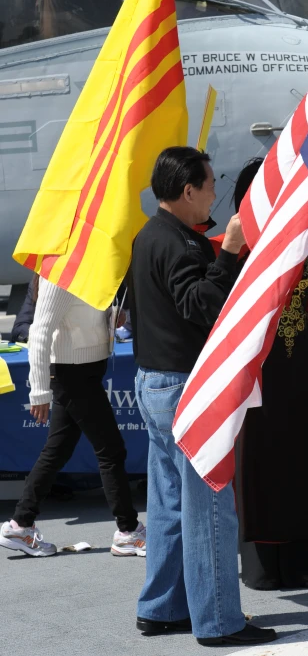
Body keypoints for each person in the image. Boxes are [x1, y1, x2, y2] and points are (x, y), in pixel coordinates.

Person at [129, 147, 276, 646]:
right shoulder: (180, 244)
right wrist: (230, 252)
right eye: (211, 183)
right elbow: (198, 304)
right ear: (188, 191)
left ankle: (162, 608)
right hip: (183, 387)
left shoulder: (150, 236)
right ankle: (217, 620)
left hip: (155, 381)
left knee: (170, 503)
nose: (217, 191)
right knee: (210, 504)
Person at [219, 159, 308, 591]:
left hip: (298, 372)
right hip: (251, 378)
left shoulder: (305, 246)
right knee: (256, 466)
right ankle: (262, 563)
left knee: (298, 464)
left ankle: (302, 559)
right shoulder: (229, 248)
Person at [0, 277, 146, 557]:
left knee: (58, 450)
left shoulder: (86, 267)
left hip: (84, 370)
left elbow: (80, 319)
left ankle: (21, 523)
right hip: (72, 374)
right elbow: (40, 332)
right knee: (111, 450)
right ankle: (127, 530)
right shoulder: (62, 272)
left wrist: (111, 317)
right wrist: (39, 391)